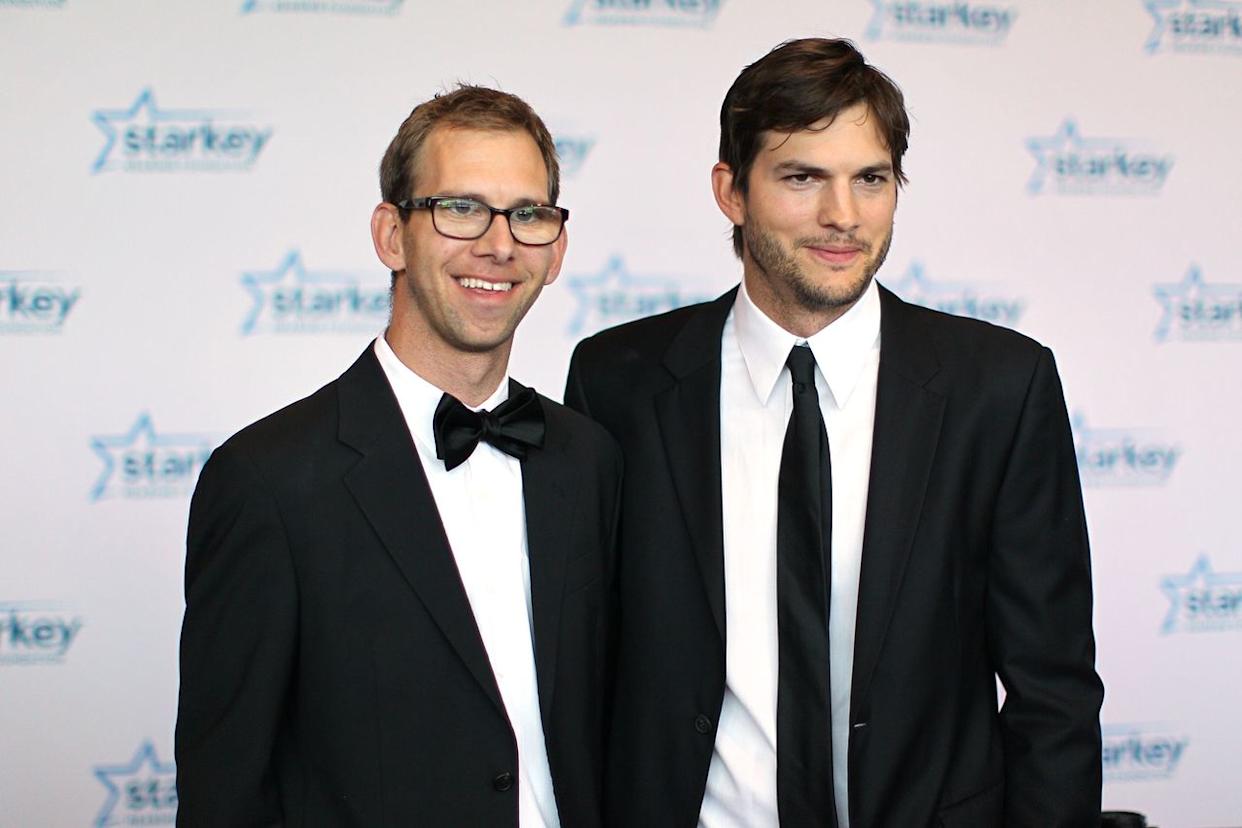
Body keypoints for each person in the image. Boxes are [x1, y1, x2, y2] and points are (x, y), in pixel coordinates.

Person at [565, 38, 1103, 827]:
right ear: (731, 191)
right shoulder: (620, 381)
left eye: (871, 180)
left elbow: (1052, 692)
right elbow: (586, 664)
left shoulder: (999, 387)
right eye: (801, 177)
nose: (842, 216)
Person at [175, 85, 621, 827]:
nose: (499, 243)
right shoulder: (268, 481)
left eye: (527, 214)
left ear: (557, 247)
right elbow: (227, 791)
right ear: (391, 235)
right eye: (460, 208)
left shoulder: (590, 459)